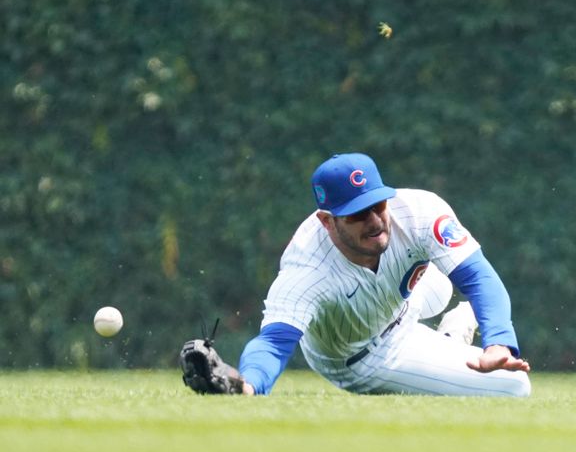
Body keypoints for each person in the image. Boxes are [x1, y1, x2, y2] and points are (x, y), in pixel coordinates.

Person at [180, 152, 531, 397]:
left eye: (378, 204)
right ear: (327, 220)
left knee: (442, 280)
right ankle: (447, 349)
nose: (376, 220)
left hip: (404, 302)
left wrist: (498, 341)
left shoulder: (419, 211)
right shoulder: (308, 269)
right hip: (366, 354)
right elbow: (274, 344)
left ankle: (450, 344)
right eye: (357, 214)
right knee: (515, 386)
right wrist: (247, 386)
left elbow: (479, 277)